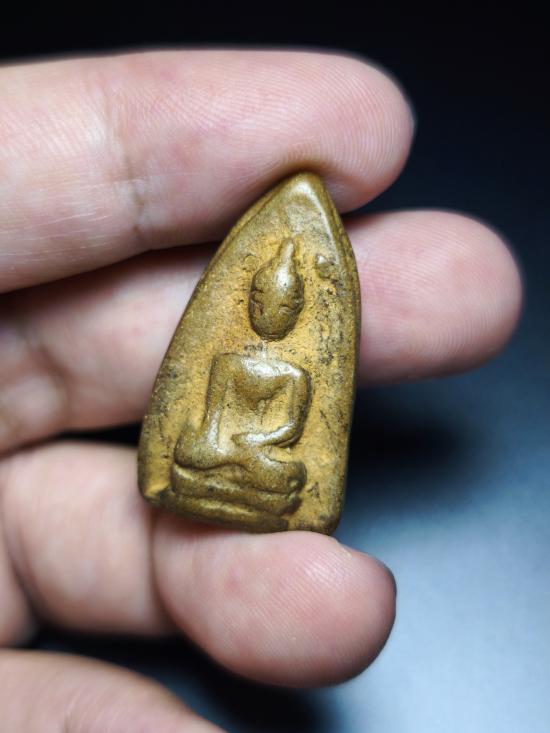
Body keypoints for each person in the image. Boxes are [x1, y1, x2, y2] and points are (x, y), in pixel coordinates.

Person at [0, 49, 522, 731]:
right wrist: (217, 446)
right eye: (261, 301)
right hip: (217, 460)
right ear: (251, 301)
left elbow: (283, 438)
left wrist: (248, 451)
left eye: (283, 304)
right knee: (191, 451)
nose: (271, 312)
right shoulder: (229, 361)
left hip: (260, 470)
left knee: (282, 478)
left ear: (296, 306)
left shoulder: (295, 373)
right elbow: (209, 428)